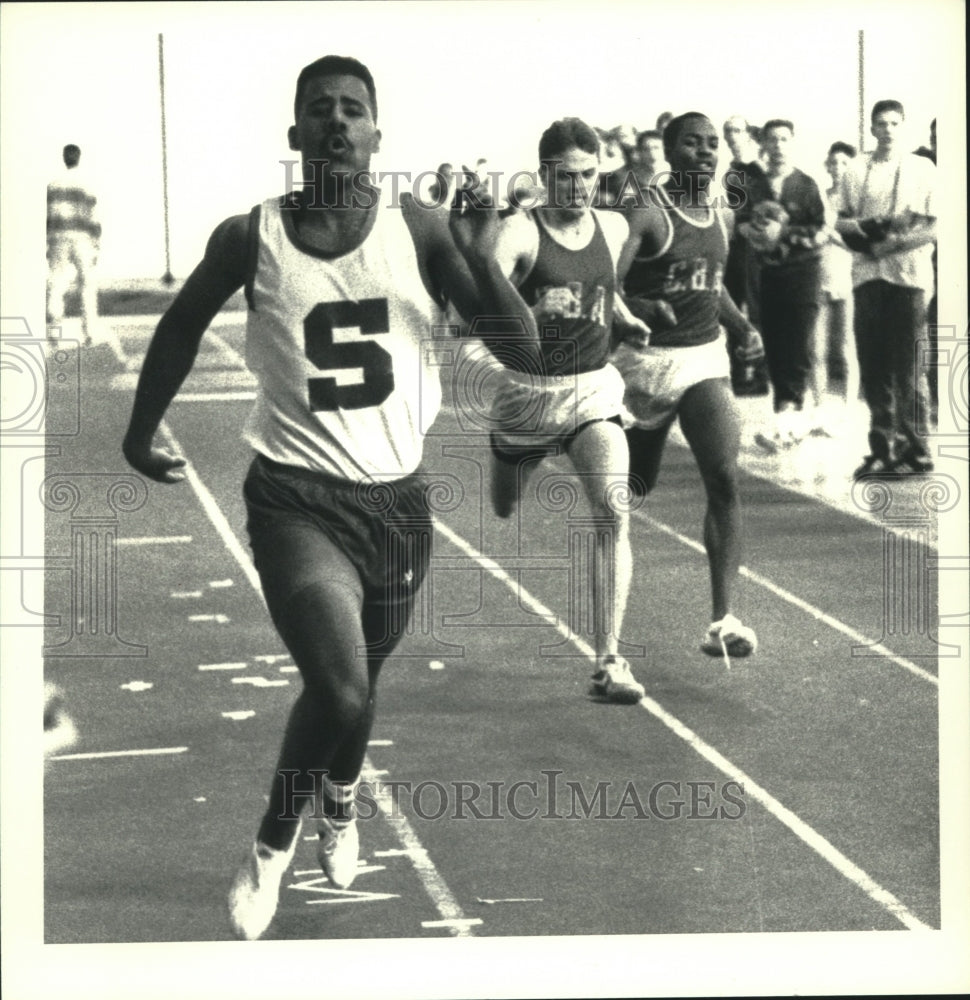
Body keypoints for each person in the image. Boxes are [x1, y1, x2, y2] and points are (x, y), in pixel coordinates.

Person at [122, 55, 540, 941]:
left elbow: (525, 346)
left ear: (378, 135)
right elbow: (181, 324)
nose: (338, 123)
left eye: (354, 110)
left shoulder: (419, 228)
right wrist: (138, 428)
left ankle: (340, 799)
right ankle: (273, 844)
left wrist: (473, 249)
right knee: (342, 691)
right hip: (295, 499)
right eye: (320, 110)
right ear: (295, 134)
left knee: (356, 690)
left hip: (397, 506)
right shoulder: (253, 235)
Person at [486, 116, 653, 705]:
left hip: (591, 389)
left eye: (589, 174)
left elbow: (605, 287)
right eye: (565, 176)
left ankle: (610, 658)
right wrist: (524, 310)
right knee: (504, 506)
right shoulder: (520, 232)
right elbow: (483, 294)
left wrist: (624, 317)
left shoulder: (610, 225)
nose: (579, 186)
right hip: (527, 395)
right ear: (544, 175)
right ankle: (507, 452)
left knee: (613, 509)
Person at [611, 112, 764, 660]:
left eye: (711, 144)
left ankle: (723, 618)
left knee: (724, 477)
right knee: (632, 487)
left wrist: (741, 325)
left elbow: (712, 283)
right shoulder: (648, 212)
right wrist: (635, 306)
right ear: (671, 153)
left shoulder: (720, 208)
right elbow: (605, 281)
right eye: (692, 144)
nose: (705, 152)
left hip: (703, 359)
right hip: (644, 363)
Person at [836, 99, 937, 477]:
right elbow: (841, 223)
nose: (888, 129)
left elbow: (935, 227)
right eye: (881, 123)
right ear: (872, 127)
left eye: (895, 123)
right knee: (874, 367)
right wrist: (867, 231)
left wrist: (892, 244)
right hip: (866, 277)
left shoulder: (922, 168)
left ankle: (917, 448)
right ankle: (882, 447)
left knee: (909, 368)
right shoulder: (856, 168)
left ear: (903, 126)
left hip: (908, 278)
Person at [743, 119, 827, 451]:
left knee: (798, 348)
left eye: (784, 139)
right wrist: (756, 234)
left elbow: (821, 233)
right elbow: (741, 226)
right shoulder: (753, 186)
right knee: (775, 348)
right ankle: (784, 421)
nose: (778, 145)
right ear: (763, 144)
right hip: (769, 275)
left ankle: (788, 424)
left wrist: (785, 234)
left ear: (792, 143)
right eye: (772, 139)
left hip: (802, 275)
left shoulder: (806, 184)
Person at [812, 141, 860, 431]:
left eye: (843, 163)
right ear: (826, 165)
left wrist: (832, 232)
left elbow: (861, 242)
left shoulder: (859, 201)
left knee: (847, 348)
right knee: (815, 350)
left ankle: (848, 410)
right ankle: (819, 409)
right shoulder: (819, 200)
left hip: (849, 278)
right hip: (820, 276)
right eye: (833, 163)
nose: (838, 168)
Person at [47, 144, 101, 345]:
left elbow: (48, 216)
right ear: (79, 157)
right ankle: (89, 332)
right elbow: (94, 216)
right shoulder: (87, 184)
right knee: (86, 284)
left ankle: (54, 331)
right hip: (82, 238)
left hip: (58, 236)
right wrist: (96, 243)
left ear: (64, 158)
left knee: (57, 283)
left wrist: (48, 241)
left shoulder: (53, 185)